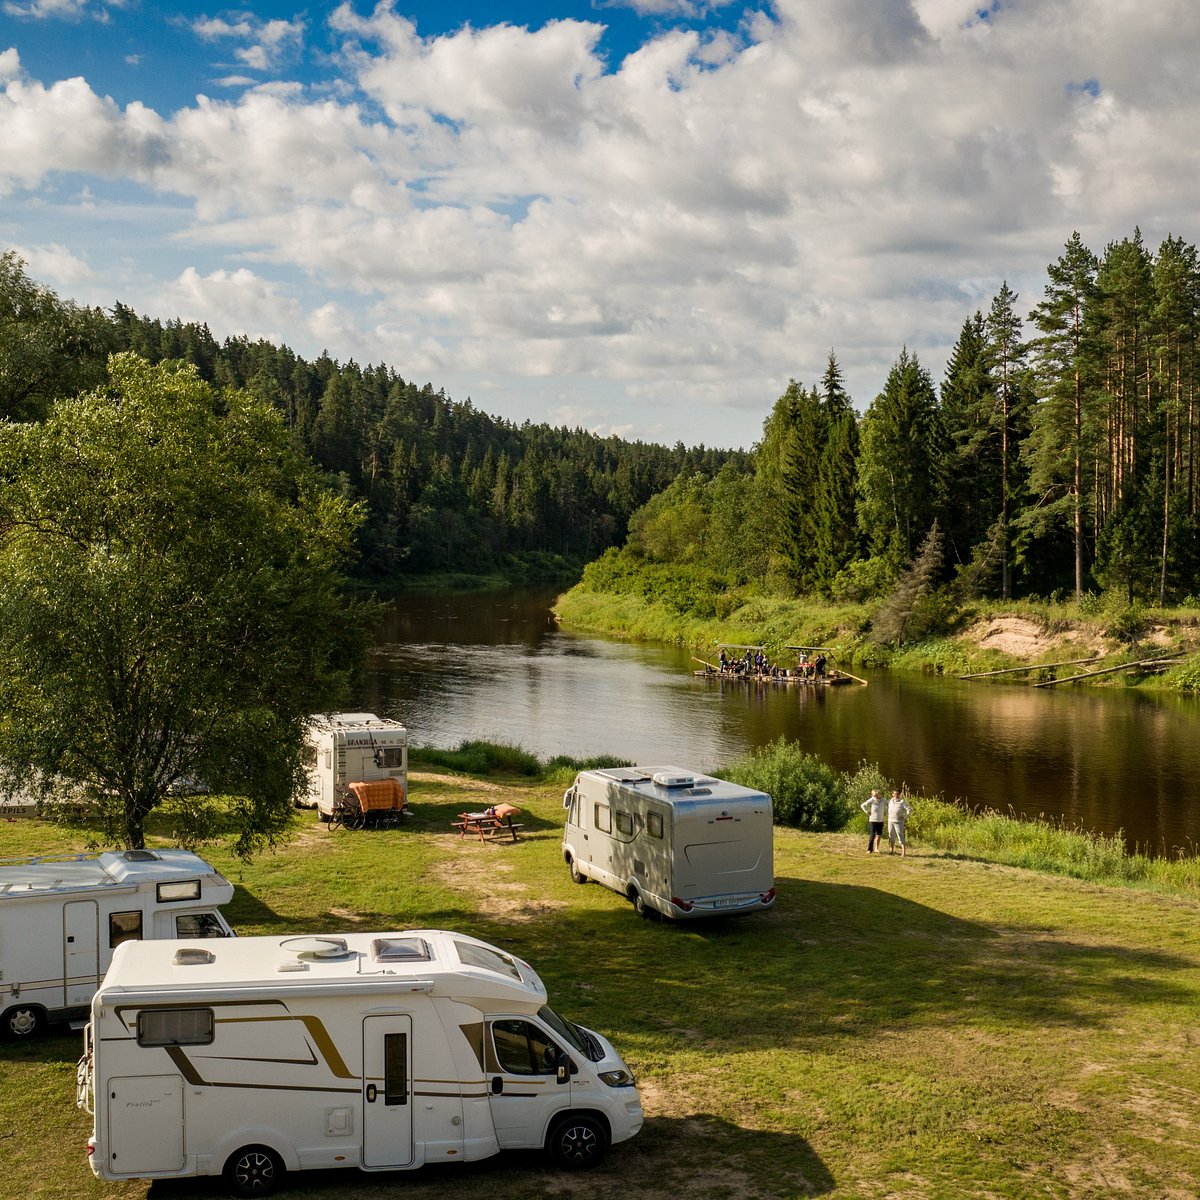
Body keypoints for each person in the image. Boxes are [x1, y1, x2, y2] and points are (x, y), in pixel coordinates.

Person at [887, 789, 912, 856]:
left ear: (899, 794)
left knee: (900, 836)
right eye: (895, 794)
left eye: (897, 794)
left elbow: (909, 809)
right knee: (891, 835)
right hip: (890, 821)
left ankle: (903, 853)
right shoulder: (891, 801)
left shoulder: (902, 801)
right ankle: (891, 851)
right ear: (892, 794)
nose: (896, 795)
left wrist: (904, 817)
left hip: (898, 822)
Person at [860, 788, 886, 853]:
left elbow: (890, 805)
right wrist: (867, 812)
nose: (875, 796)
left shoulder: (883, 800)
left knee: (879, 835)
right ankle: (869, 849)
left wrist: (886, 811)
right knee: (872, 835)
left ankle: (876, 848)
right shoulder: (872, 800)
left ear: (879, 794)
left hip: (880, 820)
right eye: (874, 795)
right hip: (873, 820)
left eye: (876, 795)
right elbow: (863, 805)